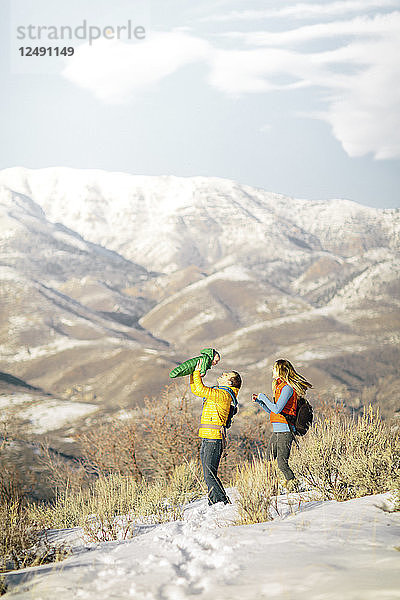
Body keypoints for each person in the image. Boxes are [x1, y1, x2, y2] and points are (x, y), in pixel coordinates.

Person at [252, 359, 312, 488]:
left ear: (281, 370)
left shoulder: (287, 388)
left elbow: (277, 409)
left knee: (281, 463)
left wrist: (263, 397)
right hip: (278, 430)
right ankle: (271, 486)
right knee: (269, 460)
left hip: (286, 430)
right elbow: (273, 411)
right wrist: (260, 401)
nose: (272, 371)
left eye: (274, 368)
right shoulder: (279, 387)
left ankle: (294, 485)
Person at [190, 361, 241, 505]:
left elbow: (200, 390)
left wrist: (196, 372)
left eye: (227, 375)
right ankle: (215, 502)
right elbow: (196, 389)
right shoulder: (220, 393)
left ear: (230, 383)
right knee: (208, 473)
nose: (223, 374)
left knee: (209, 473)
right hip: (208, 437)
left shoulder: (223, 395)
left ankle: (221, 502)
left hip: (214, 439)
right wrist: (193, 375)